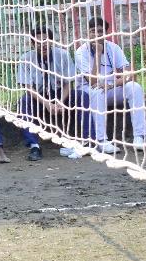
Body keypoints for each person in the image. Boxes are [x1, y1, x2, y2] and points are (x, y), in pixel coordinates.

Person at [17, 27, 91, 161]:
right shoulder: (25, 59)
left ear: (51, 41)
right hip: (39, 96)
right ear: (33, 44)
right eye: (38, 41)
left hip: (60, 93)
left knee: (82, 96)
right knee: (23, 102)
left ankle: (86, 141)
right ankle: (34, 146)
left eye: (45, 40)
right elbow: (28, 88)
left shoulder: (62, 55)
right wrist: (45, 103)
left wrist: (60, 101)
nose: (42, 44)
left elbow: (68, 83)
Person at [76, 17, 146, 151]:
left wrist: (111, 85)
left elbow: (130, 74)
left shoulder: (113, 48)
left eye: (100, 31)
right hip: (89, 91)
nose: (96, 34)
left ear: (106, 33)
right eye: (93, 31)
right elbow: (92, 82)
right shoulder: (81, 52)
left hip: (109, 88)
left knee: (135, 87)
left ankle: (139, 136)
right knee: (97, 90)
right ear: (87, 33)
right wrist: (97, 53)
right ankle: (102, 140)